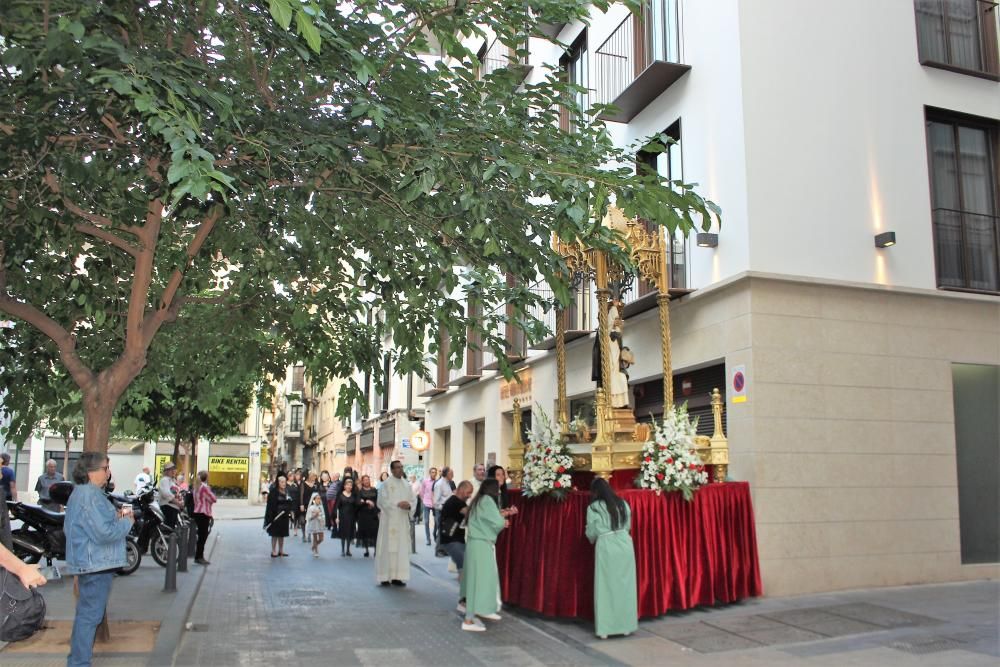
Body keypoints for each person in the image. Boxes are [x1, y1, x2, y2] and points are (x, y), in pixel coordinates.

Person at [64, 452, 134, 666]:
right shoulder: (89, 496)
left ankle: (77, 660)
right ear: (91, 471)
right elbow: (103, 533)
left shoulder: (88, 494)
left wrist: (117, 517)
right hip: (95, 565)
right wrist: (127, 522)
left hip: (93, 563)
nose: (108, 472)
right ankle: (79, 663)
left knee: (87, 615)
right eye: (105, 468)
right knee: (89, 617)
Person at [585, 477, 638, 639]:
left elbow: (592, 530)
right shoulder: (623, 504)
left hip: (607, 544)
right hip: (624, 543)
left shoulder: (594, 507)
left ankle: (606, 629)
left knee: (606, 587)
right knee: (625, 586)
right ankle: (626, 626)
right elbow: (628, 525)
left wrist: (591, 537)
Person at [461, 478, 507, 632]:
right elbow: (498, 523)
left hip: (475, 544)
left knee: (475, 581)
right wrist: (503, 522)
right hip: (482, 545)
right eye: (498, 488)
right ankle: (469, 620)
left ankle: (473, 614)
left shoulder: (479, 499)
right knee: (483, 580)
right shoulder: (488, 500)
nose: (499, 491)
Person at [375, 460, 415, 586]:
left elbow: (413, 500)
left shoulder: (406, 484)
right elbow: (381, 501)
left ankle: (398, 576)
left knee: (400, 548)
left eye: (401, 467)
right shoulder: (386, 484)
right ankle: (385, 577)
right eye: (397, 467)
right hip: (389, 521)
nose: (400, 469)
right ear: (392, 470)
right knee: (387, 548)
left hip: (402, 521)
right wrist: (397, 505)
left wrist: (408, 505)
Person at [439, 481, 473, 611]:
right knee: (465, 568)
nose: (469, 495)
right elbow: (470, 513)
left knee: (463, 568)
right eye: (468, 492)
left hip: (455, 541)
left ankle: (465, 598)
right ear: (461, 490)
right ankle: (463, 601)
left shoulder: (459, 502)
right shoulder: (455, 502)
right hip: (451, 541)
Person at [264, 476, 295, 557]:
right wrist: (271, 516)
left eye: (284, 482)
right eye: (281, 482)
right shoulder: (274, 492)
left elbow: (290, 502)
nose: (283, 484)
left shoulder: (287, 491)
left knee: (282, 534)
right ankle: (273, 550)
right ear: (278, 483)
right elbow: (270, 505)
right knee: (275, 534)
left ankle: (281, 550)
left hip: (284, 516)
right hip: (276, 516)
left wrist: (290, 511)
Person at [192, 470, 217, 565]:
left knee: (201, 535)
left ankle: (198, 556)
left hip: (197, 512)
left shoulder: (196, 487)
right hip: (204, 513)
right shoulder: (204, 487)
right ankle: (199, 556)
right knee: (203, 536)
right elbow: (213, 499)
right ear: (206, 477)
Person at [333, 477, 359, 557]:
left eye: (350, 485)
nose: (349, 487)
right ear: (344, 486)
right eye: (347, 485)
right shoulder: (340, 495)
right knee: (343, 534)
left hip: (351, 517)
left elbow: (356, 507)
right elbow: (336, 507)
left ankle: (348, 550)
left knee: (349, 533)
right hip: (342, 516)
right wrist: (336, 518)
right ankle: (343, 550)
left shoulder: (354, 496)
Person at [432, 466, 454, 555]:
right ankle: (438, 550)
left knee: (446, 531)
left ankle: (444, 550)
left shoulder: (448, 483)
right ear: (447, 474)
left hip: (447, 511)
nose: (453, 475)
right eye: (451, 473)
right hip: (442, 510)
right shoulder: (439, 484)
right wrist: (444, 508)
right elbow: (436, 502)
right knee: (441, 531)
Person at [356, 475, 379, 558]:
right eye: (365, 480)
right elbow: (358, 502)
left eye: (368, 480)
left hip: (373, 514)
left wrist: (374, 505)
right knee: (365, 533)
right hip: (363, 514)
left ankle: (376, 550)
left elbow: (378, 500)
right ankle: (366, 550)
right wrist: (366, 502)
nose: (366, 481)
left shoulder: (374, 490)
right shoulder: (360, 491)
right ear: (362, 481)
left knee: (375, 532)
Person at [157, 462, 183, 527]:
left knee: (172, 527)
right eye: (170, 469)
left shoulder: (173, 480)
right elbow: (166, 494)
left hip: (174, 507)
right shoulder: (164, 480)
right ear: (166, 471)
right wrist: (177, 502)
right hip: (168, 507)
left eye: (174, 469)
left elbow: (177, 493)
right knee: (169, 528)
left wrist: (181, 501)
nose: (173, 471)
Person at [419, 468, 438, 545]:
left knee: (437, 521)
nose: (434, 474)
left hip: (435, 504)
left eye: (435, 472)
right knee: (426, 522)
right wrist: (423, 500)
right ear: (429, 473)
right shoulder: (425, 481)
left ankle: (434, 534)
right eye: (432, 472)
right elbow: (421, 492)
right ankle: (428, 539)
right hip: (426, 503)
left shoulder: (437, 482)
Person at [298, 471, 317, 542]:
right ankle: (303, 535)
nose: (314, 478)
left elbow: (317, 495)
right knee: (303, 520)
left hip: (312, 504)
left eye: (315, 476)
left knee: (311, 520)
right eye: (312, 476)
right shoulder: (303, 483)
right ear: (309, 476)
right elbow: (301, 494)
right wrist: (301, 504)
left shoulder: (315, 484)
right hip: (304, 504)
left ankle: (309, 534)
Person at [305, 492, 326, 558]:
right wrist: (315, 515)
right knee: (315, 537)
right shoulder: (311, 507)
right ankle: (316, 551)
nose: (318, 500)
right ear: (314, 499)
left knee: (321, 538)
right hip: (314, 523)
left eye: (319, 498)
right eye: (317, 498)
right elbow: (309, 517)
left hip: (320, 523)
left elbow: (323, 515)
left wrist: (322, 518)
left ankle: (314, 546)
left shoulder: (321, 507)